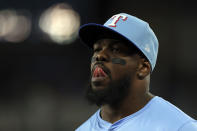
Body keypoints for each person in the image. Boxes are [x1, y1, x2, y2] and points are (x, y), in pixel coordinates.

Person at [75, 13, 197, 131]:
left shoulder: (179, 127)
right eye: (97, 49)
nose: (100, 56)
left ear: (143, 67)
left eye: (116, 49)